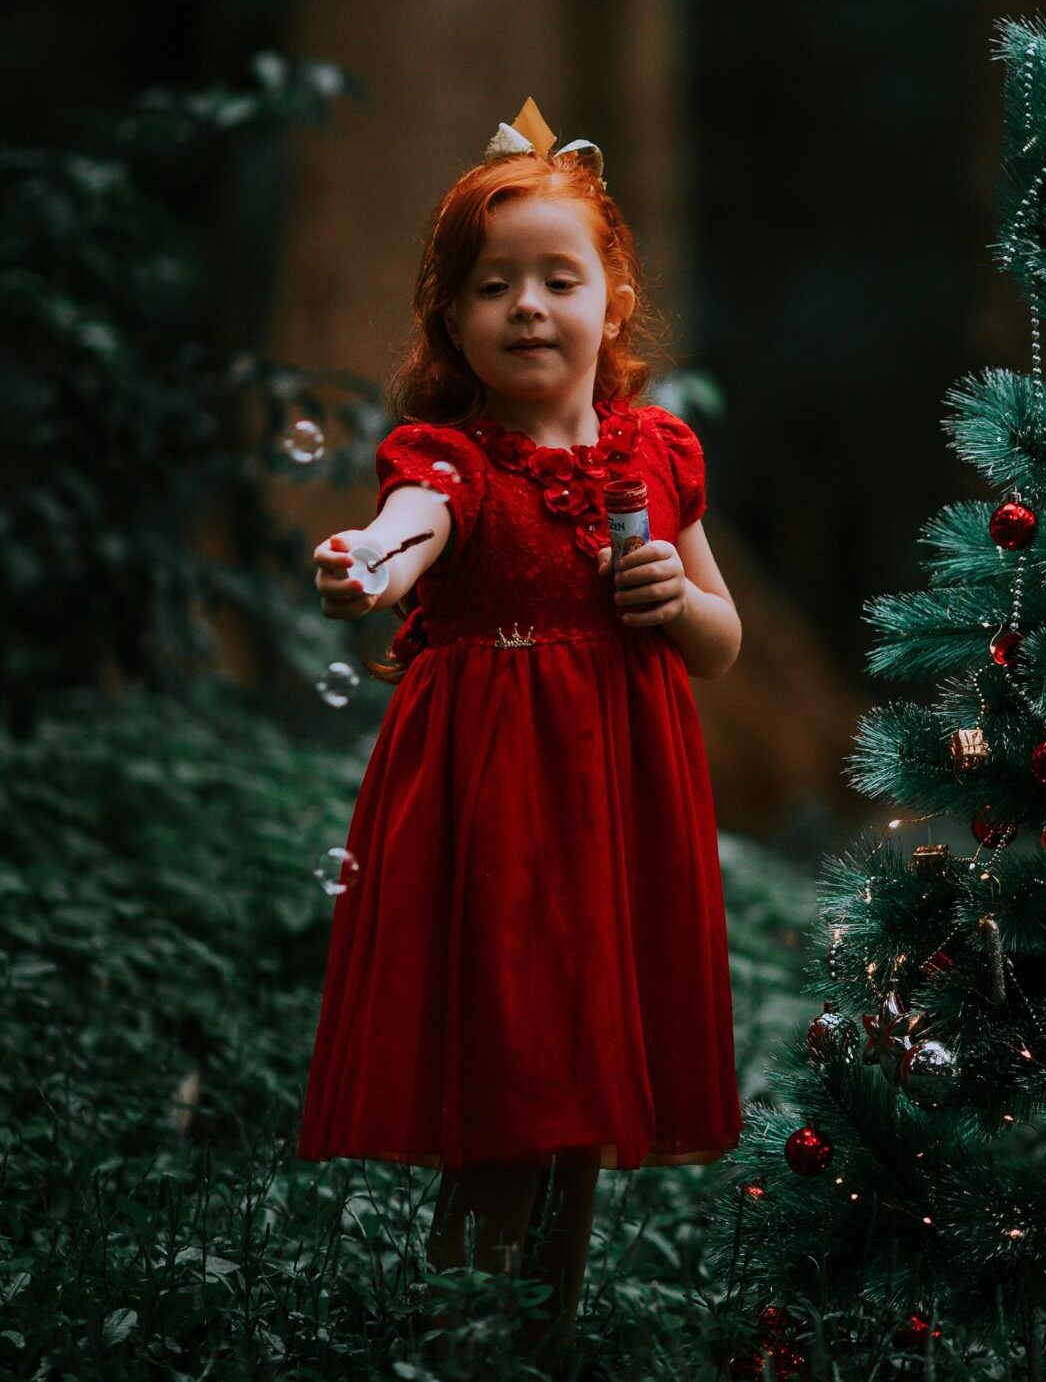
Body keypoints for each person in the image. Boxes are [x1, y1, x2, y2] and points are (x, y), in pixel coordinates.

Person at [294, 99, 744, 1356]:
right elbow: (406, 531)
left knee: (588, 1065)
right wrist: (365, 562)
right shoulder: (448, 459)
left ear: (614, 302)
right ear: (450, 319)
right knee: (512, 1058)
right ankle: (460, 1330)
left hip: (623, 798)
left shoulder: (656, 452)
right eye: (494, 287)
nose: (529, 307)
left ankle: (537, 1330)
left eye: (560, 279)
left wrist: (676, 602)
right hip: (495, 801)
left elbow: (721, 642)